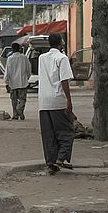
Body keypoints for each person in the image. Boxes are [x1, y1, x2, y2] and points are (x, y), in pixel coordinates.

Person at [37, 33, 74, 174]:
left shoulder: (42, 58)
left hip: (44, 101)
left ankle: (51, 162)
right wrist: (69, 100)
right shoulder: (62, 58)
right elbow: (64, 80)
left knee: (49, 134)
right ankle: (62, 157)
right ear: (61, 43)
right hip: (58, 100)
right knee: (67, 131)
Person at [3, 42, 30, 120]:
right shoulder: (24, 57)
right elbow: (28, 69)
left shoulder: (10, 58)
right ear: (19, 49)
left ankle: (15, 114)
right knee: (22, 99)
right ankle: (20, 109)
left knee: (13, 99)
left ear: (12, 49)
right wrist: (27, 77)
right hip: (23, 82)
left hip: (13, 83)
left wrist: (7, 82)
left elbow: (7, 71)